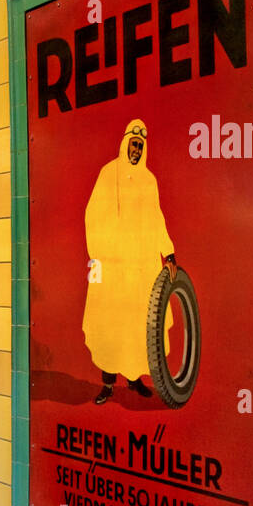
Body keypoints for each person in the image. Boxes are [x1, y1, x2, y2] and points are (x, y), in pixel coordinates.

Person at [81, 119, 176, 405]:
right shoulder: (109, 173)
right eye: (133, 144)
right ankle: (108, 384)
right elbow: (92, 215)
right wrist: (99, 256)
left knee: (139, 322)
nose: (136, 149)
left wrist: (168, 252)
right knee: (110, 322)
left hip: (142, 265)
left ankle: (134, 379)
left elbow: (157, 218)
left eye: (140, 146)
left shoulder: (149, 180)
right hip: (112, 265)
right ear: (125, 144)